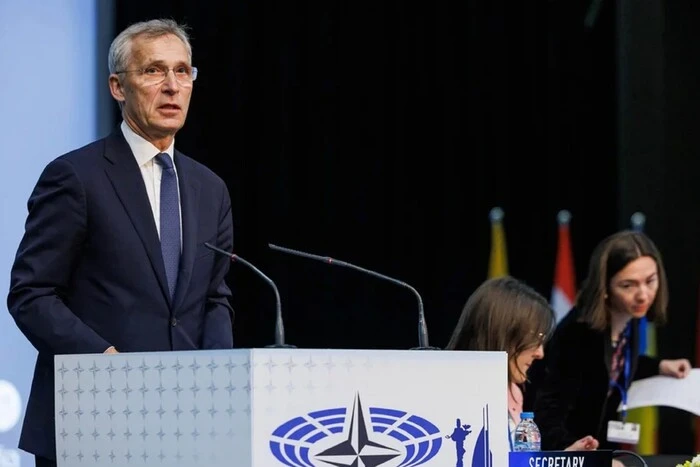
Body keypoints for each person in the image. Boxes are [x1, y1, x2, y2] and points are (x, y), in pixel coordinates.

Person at [7, 19, 234, 467]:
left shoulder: (211, 189)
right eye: (153, 71)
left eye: (182, 71)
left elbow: (215, 299)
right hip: (92, 421)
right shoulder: (75, 177)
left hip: (188, 426)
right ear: (117, 87)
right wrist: (105, 362)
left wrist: (220, 377)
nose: (172, 86)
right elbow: (31, 295)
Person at [533, 230, 691, 452]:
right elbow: (548, 410)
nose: (643, 295)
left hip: (601, 449)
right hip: (571, 453)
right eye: (628, 285)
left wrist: (659, 366)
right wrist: (576, 452)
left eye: (650, 281)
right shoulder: (577, 333)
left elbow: (617, 364)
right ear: (605, 288)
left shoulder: (631, 316)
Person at [445, 276, 599, 452]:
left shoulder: (513, 392)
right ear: (504, 335)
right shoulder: (452, 394)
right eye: (535, 339)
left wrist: (566, 458)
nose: (540, 353)